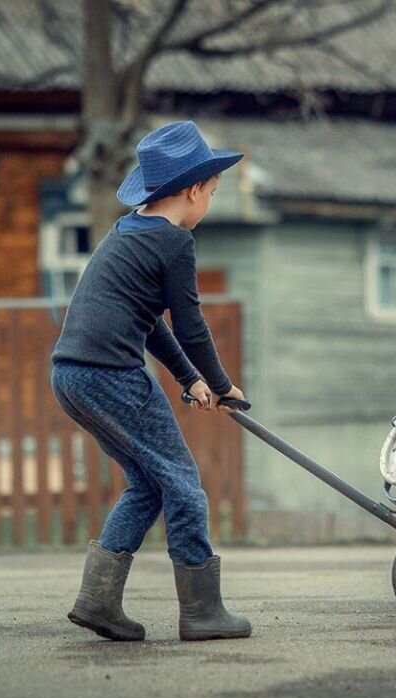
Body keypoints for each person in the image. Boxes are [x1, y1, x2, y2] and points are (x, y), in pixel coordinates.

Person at [51, 121, 251, 641]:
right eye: (211, 190)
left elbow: (151, 323)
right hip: (112, 377)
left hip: (71, 375)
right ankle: (203, 612)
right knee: (184, 484)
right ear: (192, 191)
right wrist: (223, 382)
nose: (210, 199)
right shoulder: (174, 241)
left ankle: (98, 602)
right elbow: (190, 323)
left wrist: (189, 378)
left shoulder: (130, 229)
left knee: (147, 483)